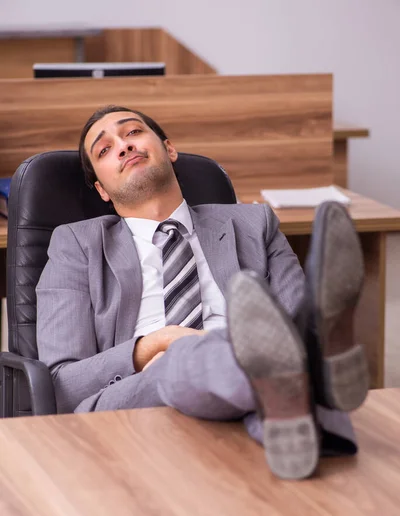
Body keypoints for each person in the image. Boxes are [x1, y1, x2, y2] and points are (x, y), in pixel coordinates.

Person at [36, 105, 369, 480]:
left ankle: (286, 420)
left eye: (132, 133)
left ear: (169, 149)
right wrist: (158, 342)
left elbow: (290, 325)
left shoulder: (253, 224)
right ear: (101, 189)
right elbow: (60, 385)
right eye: (104, 149)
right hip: (136, 395)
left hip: (250, 378)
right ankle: (316, 372)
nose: (124, 146)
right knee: (185, 359)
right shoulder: (75, 245)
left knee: (283, 349)